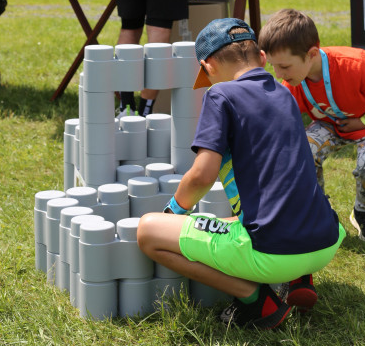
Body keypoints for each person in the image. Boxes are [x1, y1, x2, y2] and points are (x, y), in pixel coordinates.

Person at [137, 18, 345, 330]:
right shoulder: (284, 93)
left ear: (208, 66)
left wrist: (174, 211)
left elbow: (202, 175)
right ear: (261, 57)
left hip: (274, 254)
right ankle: (301, 278)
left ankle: (256, 301)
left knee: (148, 231)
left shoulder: (220, 95)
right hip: (326, 239)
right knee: (241, 217)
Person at [258, 8, 365, 244]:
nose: (279, 74)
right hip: (330, 125)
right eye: (273, 66)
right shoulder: (294, 82)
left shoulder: (356, 64)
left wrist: (364, 121)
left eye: (285, 67)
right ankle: (318, 211)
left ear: (311, 54)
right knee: (303, 153)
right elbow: (276, 121)